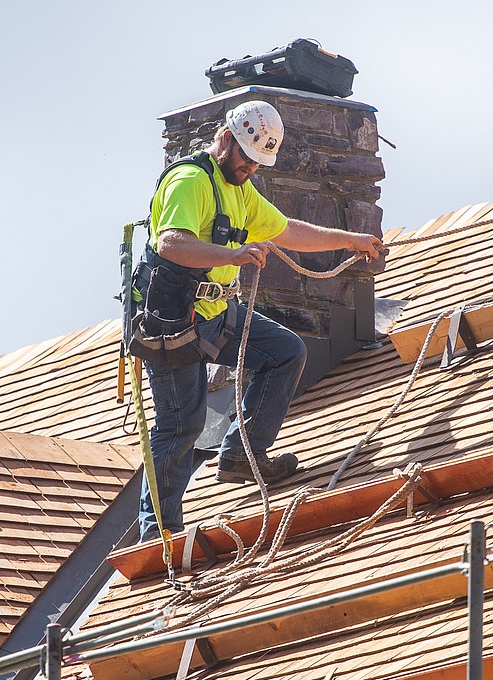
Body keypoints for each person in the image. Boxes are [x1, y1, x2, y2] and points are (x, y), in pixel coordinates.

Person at [135, 100, 383, 544]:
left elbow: (285, 230)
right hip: (173, 319)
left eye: (257, 163)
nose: (250, 168)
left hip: (214, 312)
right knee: (182, 425)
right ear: (226, 139)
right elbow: (171, 243)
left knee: (286, 353)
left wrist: (350, 240)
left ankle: (241, 455)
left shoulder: (241, 189)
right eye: (246, 158)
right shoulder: (191, 181)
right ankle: (158, 534)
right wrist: (231, 255)